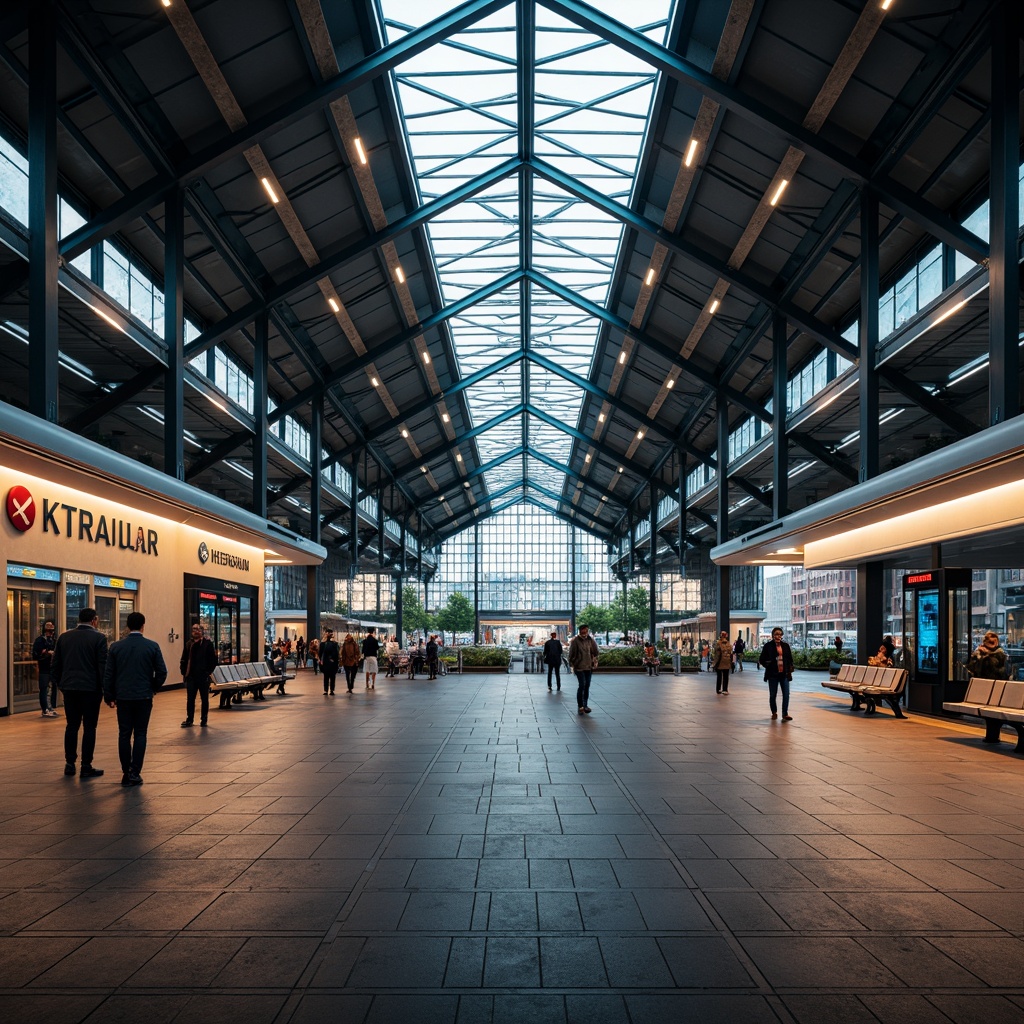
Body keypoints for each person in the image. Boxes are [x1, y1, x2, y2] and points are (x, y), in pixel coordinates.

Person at [103, 612, 167, 786]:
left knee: (124, 734)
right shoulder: (152, 646)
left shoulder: (116, 647)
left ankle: (125, 771)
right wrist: (153, 687)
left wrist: (109, 695)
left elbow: (109, 674)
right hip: (143, 696)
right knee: (140, 733)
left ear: (127, 626)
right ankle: (135, 771)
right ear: (143, 625)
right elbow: (162, 672)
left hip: (123, 696)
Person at [51, 608, 108, 778]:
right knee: (90, 727)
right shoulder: (99, 638)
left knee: (72, 725)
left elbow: (55, 664)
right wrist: (106, 689)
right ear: (94, 620)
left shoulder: (64, 637)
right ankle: (86, 765)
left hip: (69, 688)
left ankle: (69, 763)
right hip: (91, 689)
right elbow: (102, 666)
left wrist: (60, 684)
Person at [180, 622, 217, 726]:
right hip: (191, 676)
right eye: (194, 630)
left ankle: (204, 719)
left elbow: (213, 661)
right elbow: (184, 659)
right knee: (190, 699)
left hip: (203, 677)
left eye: (198, 630)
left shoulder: (207, 644)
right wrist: (183, 672)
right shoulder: (189, 644)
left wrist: (207, 672)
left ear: (202, 632)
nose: (195, 631)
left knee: (204, 699)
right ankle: (189, 719)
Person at [759, 626, 795, 721]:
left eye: (780, 634)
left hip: (784, 673)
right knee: (773, 694)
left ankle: (785, 713)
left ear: (782, 635)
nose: (778, 636)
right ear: (773, 635)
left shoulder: (785, 646)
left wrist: (789, 668)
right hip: (773, 674)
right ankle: (774, 712)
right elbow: (761, 659)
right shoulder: (768, 646)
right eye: (776, 634)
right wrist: (769, 664)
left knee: (786, 694)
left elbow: (790, 659)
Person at [569, 623, 599, 715]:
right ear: (580, 630)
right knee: (582, 685)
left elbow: (596, 651)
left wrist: (593, 656)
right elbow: (571, 654)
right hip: (579, 667)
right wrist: (573, 663)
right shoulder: (575, 640)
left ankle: (585, 705)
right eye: (584, 629)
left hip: (588, 667)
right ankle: (580, 705)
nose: (585, 631)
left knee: (587, 686)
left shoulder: (590, 640)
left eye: (587, 629)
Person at [33, 619, 58, 717]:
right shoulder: (40, 640)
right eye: (48, 626)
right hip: (44, 668)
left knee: (51, 689)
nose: (50, 629)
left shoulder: (54, 640)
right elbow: (36, 654)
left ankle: (50, 707)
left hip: (52, 668)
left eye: (51, 626)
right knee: (44, 689)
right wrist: (46, 653)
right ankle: (45, 709)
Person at [320, 630, 340, 695]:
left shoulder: (323, 644)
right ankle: (331, 690)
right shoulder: (335, 644)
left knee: (326, 677)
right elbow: (336, 653)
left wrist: (320, 661)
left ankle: (326, 690)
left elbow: (320, 653)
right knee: (332, 677)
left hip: (326, 662)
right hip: (332, 663)